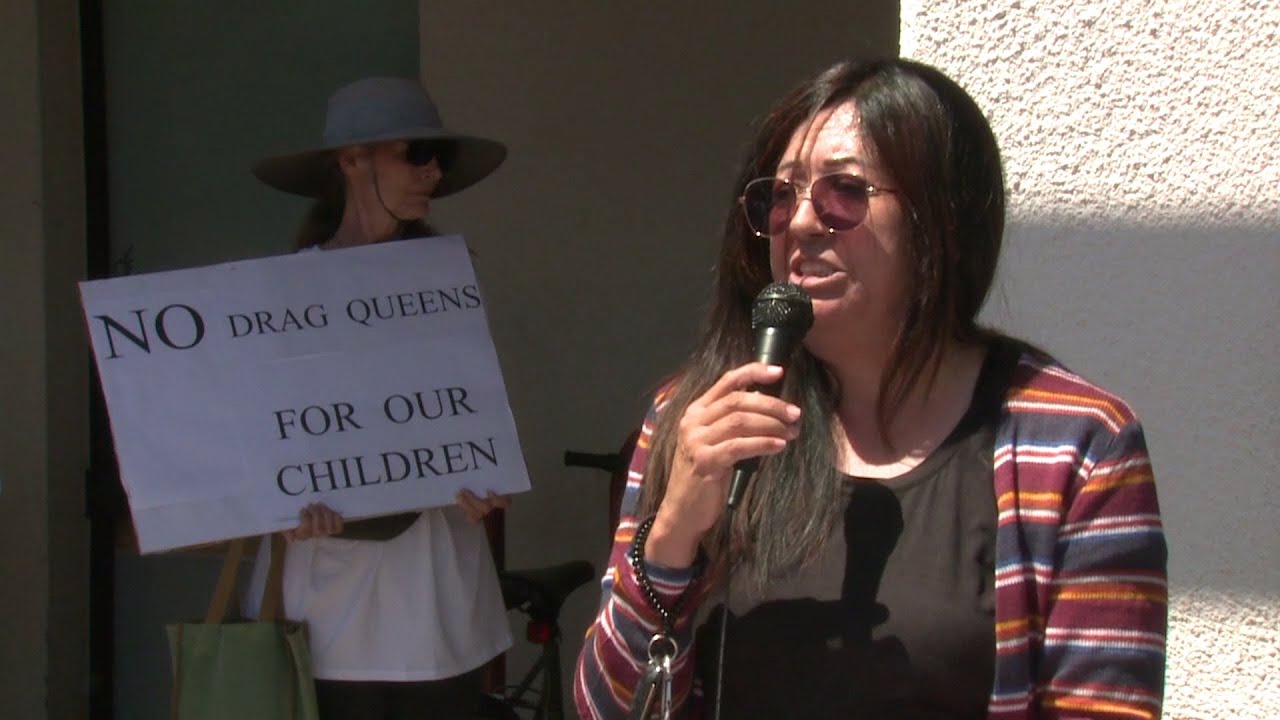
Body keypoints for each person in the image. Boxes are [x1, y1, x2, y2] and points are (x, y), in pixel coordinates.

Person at [573, 58, 1168, 720]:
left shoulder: (1077, 444)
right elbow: (607, 709)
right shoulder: (696, 421)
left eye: (843, 194)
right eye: (780, 196)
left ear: (939, 219)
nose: (799, 224)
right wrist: (672, 538)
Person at [245, 76, 513, 720]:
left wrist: (487, 477)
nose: (431, 172)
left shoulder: (448, 280)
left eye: (439, 159)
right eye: (415, 152)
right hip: (327, 603)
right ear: (351, 159)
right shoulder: (281, 293)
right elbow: (256, 434)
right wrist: (280, 501)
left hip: (434, 599)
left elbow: (466, 410)